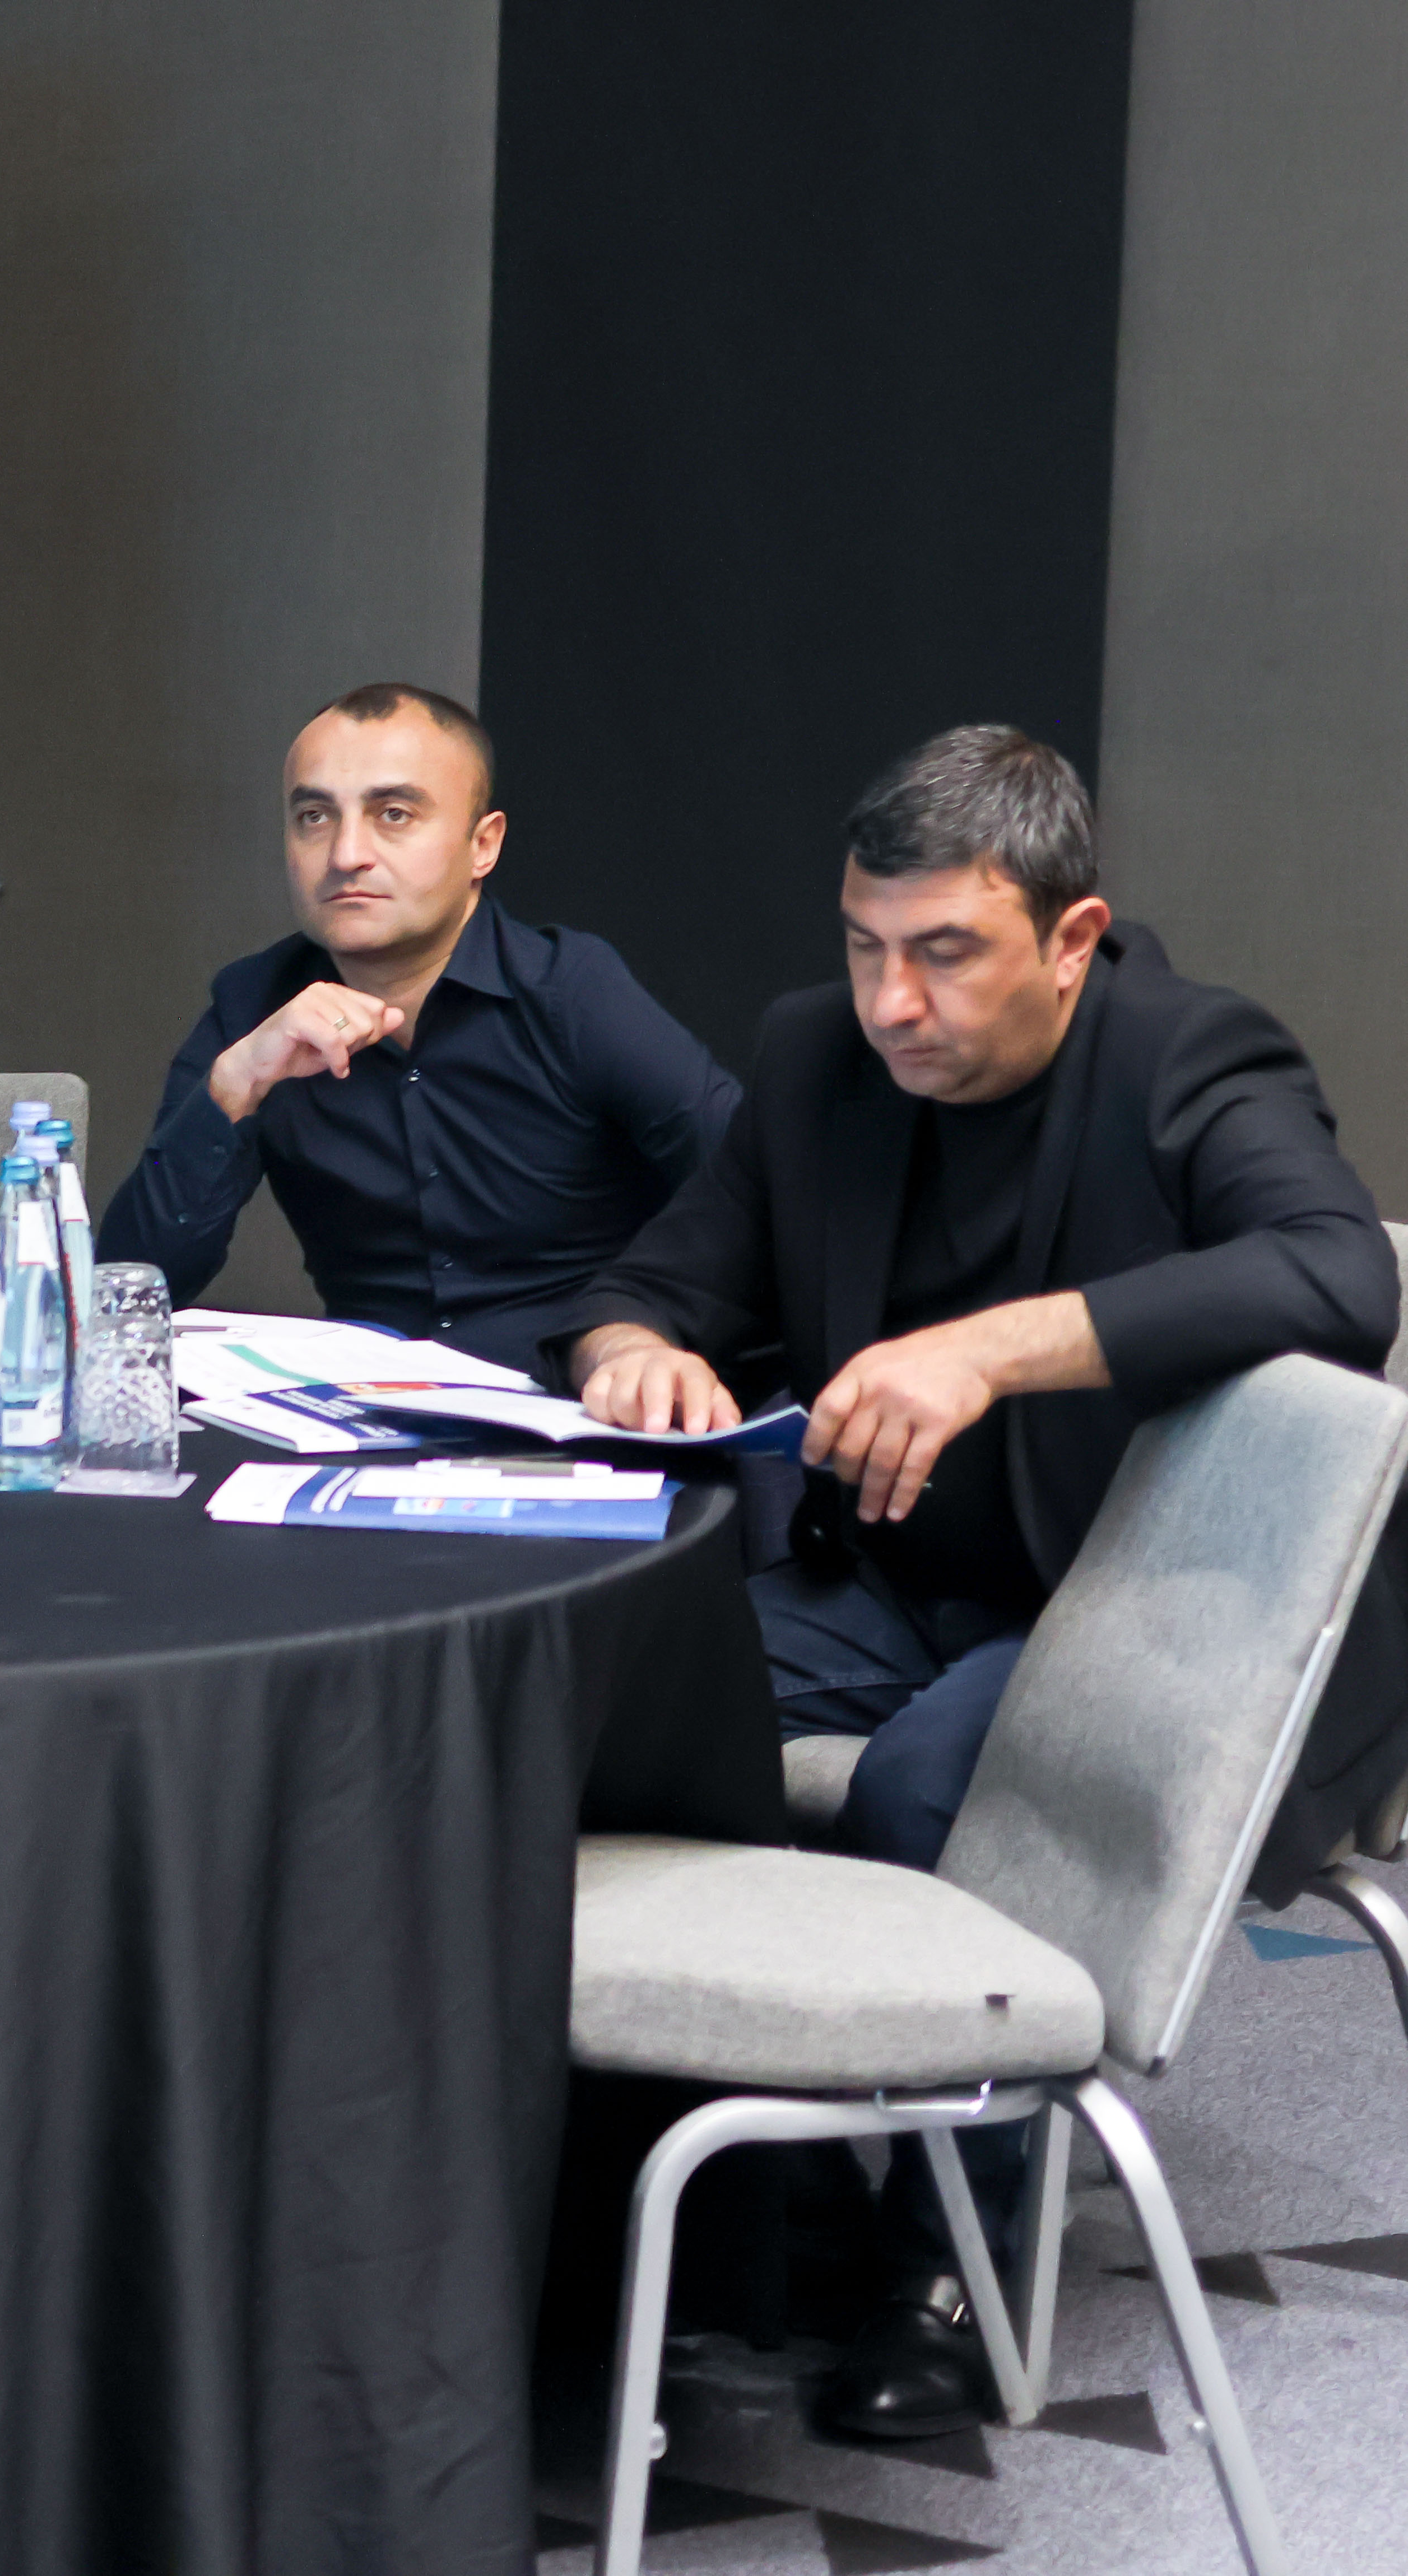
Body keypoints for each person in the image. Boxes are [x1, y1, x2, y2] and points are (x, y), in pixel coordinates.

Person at [569, 723, 1399, 2438]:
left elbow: (1337, 1277)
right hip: (889, 1585)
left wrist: (987, 1348)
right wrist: (632, 1348)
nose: (893, 1003)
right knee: (601, 1693)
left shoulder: (1186, 1056)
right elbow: (652, 1281)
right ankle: (746, 2203)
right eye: (864, 947)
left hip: (1146, 1608)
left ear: (1071, 938)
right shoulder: (812, 1056)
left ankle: (944, 2260)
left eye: (944, 953)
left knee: (932, 1784)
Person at [96, 683, 739, 1381]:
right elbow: (125, 1296)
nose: (345, 853)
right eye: (313, 816)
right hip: (364, 1411)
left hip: (573, 1396)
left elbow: (755, 1186)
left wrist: (641, 1335)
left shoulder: (570, 993)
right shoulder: (252, 1006)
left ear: (482, 845)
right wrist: (235, 1085)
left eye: (393, 814)